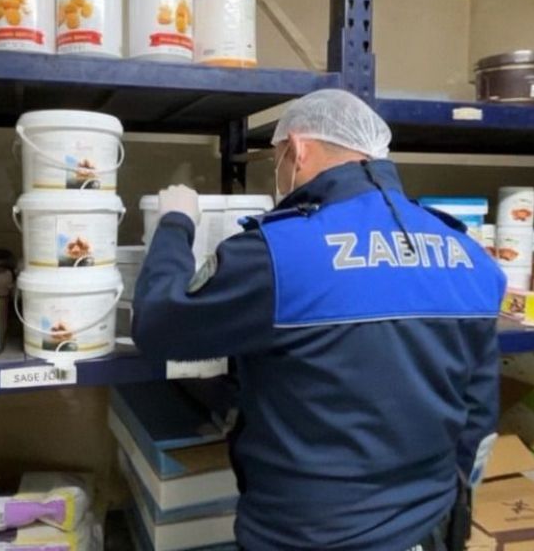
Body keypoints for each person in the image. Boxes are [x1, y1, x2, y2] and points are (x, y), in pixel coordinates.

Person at [133, 89, 504, 551]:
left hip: (308, 537)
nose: (279, 173)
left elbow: (158, 325)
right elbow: (478, 415)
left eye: (277, 159)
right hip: (427, 528)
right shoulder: (472, 257)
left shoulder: (278, 253)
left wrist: (174, 224)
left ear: (298, 147)